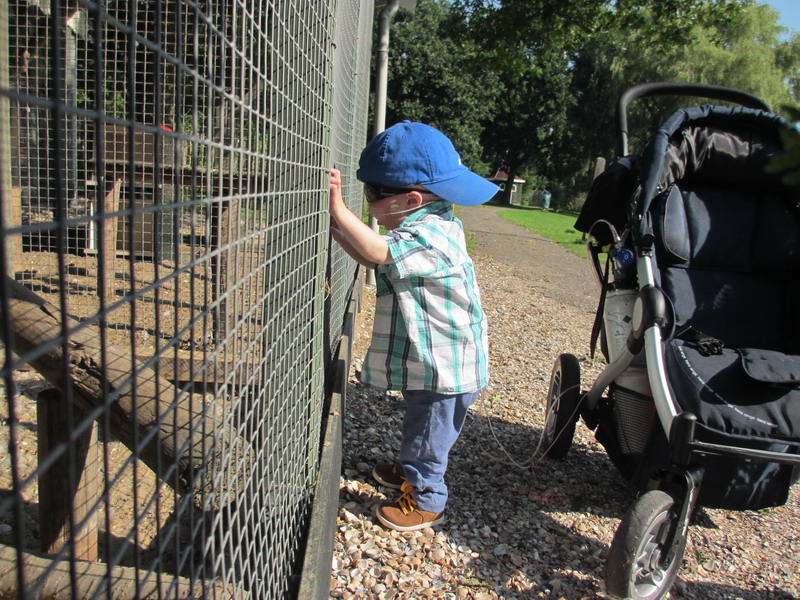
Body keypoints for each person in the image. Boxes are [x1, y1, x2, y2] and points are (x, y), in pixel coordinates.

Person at [328, 121, 498, 532]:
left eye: (372, 195)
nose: (367, 203)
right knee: (421, 424)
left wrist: (337, 208)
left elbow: (377, 250)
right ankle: (411, 470)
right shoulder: (425, 225)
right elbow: (373, 259)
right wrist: (339, 232)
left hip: (448, 369)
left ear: (411, 199)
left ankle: (426, 499)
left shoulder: (432, 237)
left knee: (429, 436)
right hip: (436, 359)